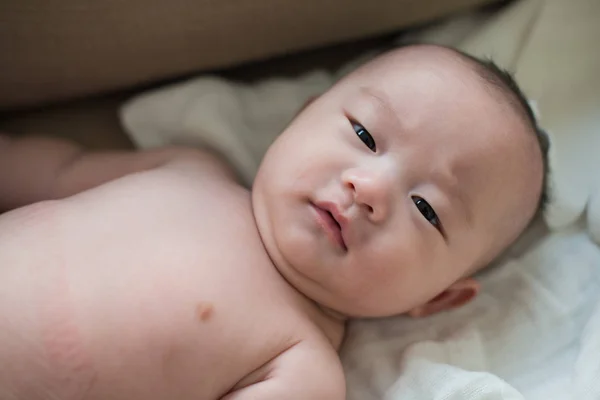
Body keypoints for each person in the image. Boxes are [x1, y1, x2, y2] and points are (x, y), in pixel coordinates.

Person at [0, 44, 548, 399]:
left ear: (437, 299)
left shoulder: (300, 365)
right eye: (364, 135)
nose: (371, 188)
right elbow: (55, 172)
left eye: (427, 210)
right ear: (300, 116)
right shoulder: (190, 168)